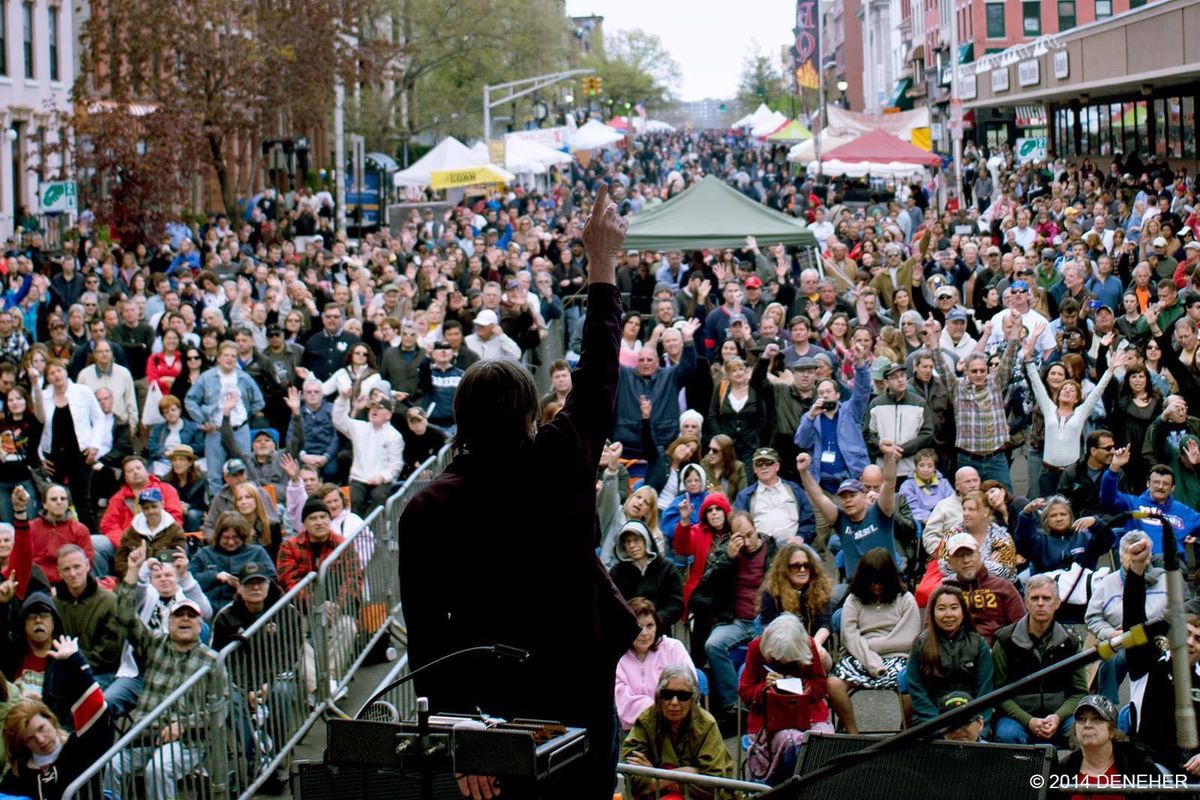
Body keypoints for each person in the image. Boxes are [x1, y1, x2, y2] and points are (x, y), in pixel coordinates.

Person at [399, 183, 640, 799]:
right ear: (532, 417)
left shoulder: (426, 508)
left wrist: (459, 741)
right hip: (576, 696)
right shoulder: (559, 457)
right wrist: (601, 264)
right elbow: (599, 376)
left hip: (490, 718)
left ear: (461, 420)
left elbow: (428, 638)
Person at [109, 543, 224, 800]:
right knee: (111, 764)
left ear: (199, 624)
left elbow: (220, 709)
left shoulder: (212, 662)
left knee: (158, 768)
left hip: (186, 742)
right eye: (178, 616)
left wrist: (182, 726)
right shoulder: (154, 645)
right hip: (144, 735)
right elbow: (125, 616)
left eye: (190, 617)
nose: (184, 620)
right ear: (168, 622)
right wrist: (132, 571)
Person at [693, 510, 777, 728]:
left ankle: (774, 701)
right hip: (736, 620)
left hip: (766, 619)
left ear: (756, 528)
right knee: (713, 645)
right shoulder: (726, 553)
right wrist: (727, 559)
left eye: (750, 534)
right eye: (741, 537)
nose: (747, 541)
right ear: (731, 536)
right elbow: (706, 586)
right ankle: (735, 704)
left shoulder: (773, 549)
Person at [0, 635, 112, 800]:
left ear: (51, 721)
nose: (40, 739)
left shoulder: (77, 749)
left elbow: (98, 714)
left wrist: (75, 661)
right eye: (30, 738)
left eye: (42, 728)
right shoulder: (17, 776)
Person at [827, 547, 921, 734]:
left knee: (910, 681)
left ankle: (905, 731)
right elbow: (849, 636)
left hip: (897, 656)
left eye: (881, 582)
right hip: (859, 655)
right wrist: (868, 656)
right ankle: (852, 732)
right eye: (872, 583)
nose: (876, 587)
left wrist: (874, 646)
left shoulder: (905, 599)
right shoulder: (854, 600)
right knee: (833, 684)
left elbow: (909, 638)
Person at [990, 575, 1088, 747]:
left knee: (1083, 732)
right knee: (1007, 735)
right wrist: (1028, 720)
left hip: (1060, 716)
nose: (1040, 603)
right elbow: (998, 693)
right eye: (1034, 598)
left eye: (1046, 598)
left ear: (1057, 603)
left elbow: (1079, 692)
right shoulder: (1005, 640)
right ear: (1026, 603)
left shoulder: (1071, 642)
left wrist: (1057, 717)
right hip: (1017, 717)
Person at [739, 613, 834, 784]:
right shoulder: (756, 648)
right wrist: (764, 687)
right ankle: (791, 787)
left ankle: (813, 787)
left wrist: (801, 688)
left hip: (808, 713)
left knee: (821, 741)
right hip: (769, 718)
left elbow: (820, 684)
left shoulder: (808, 645)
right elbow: (745, 691)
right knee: (790, 741)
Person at [621, 665, 734, 799]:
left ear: (693, 698)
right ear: (659, 696)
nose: (674, 702)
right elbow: (633, 779)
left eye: (683, 696)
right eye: (667, 695)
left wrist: (656, 775)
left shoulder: (706, 725)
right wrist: (686, 773)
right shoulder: (646, 721)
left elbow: (713, 785)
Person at [797, 441, 899, 583]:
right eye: (843, 497)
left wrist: (888, 456)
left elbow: (889, 482)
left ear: (864, 495)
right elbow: (818, 497)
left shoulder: (881, 512)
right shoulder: (841, 520)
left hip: (887, 583)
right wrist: (804, 472)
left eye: (852, 495)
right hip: (856, 590)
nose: (847, 500)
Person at [1086, 531, 1168, 703]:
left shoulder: (1166, 580)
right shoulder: (1107, 583)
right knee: (1110, 659)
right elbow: (1093, 618)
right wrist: (1109, 633)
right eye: (1130, 552)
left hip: (1159, 641)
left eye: (1140, 552)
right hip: (1122, 641)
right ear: (1121, 555)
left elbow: (1182, 611)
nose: (1134, 557)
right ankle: (1106, 708)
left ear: (1149, 555)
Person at [185, 340, 266, 496]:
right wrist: (203, 420)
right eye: (226, 355)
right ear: (219, 357)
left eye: (233, 356)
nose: (229, 359)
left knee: (244, 472)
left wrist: (245, 415)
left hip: (239, 430)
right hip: (216, 430)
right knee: (214, 475)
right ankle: (217, 511)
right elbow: (190, 400)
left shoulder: (244, 378)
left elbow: (259, 401)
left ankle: (244, 504)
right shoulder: (207, 377)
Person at [904, 584, 994, 725]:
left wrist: (978, 725)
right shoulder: (921, 643)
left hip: (971, 718)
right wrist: (936, 724)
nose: (948, 614)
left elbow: (985, 691)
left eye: (954, 608)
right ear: (932, 613)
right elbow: (917, 689)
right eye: (941, 609)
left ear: (963, 612)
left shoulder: (978, 644)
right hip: (930, 720)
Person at [35, 358, 105, 533]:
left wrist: (95, 445)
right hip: (55, 456)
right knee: (56, 500)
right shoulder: (43, 397)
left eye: (59, 370)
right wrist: (41, 457)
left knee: (83, 500)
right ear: (48, 377)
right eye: (52, 372)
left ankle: (91, 538)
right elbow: (37, 426)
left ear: (65, 371)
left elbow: (99, 418)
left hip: (81, 453)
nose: (56, 375)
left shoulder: (82, 391)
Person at [1053, 694, 1166, 796]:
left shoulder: (1136, 760)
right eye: (1081, 719)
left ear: (1111, 730)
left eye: (1096, 719)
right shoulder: (1064, 769)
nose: (1087, 725)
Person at [1101, 447, 1200, 557]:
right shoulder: (1132, 503)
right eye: (1156, 482)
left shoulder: (1183, 511)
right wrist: (1114, 468)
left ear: (1172, 488)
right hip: (1141, 562)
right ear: (1148, 484)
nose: (1160, 487)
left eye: (1165, 484)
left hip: (1174, 565)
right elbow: (1107, 499)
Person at [614, 597, 696, 732]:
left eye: (650, 626)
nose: (644, 633)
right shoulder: (618, 656)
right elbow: (622, 703)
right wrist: (659, 709)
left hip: (677, 725)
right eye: (638, 627)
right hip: (634, 730)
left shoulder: (673, 648)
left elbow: (689, 687)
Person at [757, 541, 833, 669]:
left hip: (813, 648)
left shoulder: (819, 588)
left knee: (822, 655)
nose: (802, 570)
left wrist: (815, 645)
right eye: (796, 566)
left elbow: (825, 624)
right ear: (785, 569)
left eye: (806, 565)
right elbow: (768, 627)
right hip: (782, 649)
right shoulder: (771, 592)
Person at [941, 532, 1025, 643]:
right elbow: (930, 630)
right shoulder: (943, 592)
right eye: (959, 555)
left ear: (979, 555)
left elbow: (1021, 626)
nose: (966, 560)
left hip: (996, 650)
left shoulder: (1004, 587)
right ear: (950, 563)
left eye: (970, 553)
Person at [332, 391, 405, 515]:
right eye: (371, 407)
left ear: (388, 415)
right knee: (354, 499)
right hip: (359, 478)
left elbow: (396, 465)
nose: (373, 410)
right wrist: (343, 399)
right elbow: (339, 421)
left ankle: (371, 530)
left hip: (382, 480)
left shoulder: (394, 436)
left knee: (379, 496)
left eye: (378, 408)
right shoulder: (359, 427)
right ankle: (358, 530)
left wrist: (382, 477)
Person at [191, 512, 276, 612]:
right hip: (210, 608)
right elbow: (189, 580)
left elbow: (273, 580)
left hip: (248, 608)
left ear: (243, 536)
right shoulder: (205, 553)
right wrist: (214, 577)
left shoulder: (257, 552)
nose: (231, 542)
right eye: (226, 538)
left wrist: (246, 585)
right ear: (218, 536)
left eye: (235, 537)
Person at [732, 446, 817, 546]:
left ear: (777, 466)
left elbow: (809, 521)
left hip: (794, 546)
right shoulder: (745, 496)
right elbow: (738, 526)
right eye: (759, 464)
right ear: (754, 469)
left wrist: (801, 537)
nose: (764, 467)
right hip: (759, 549)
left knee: (816, 560)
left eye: (769, 463)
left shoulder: (794, 490)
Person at [608, 520, 684, 629]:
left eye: (636, 540)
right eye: (627, 541)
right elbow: (612, 604)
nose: (632, 545)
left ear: (646, 540)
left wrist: (654, 621)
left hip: (660, 629)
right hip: (629, 631)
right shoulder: (617, 572)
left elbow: (676, 604)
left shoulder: (666, 567)